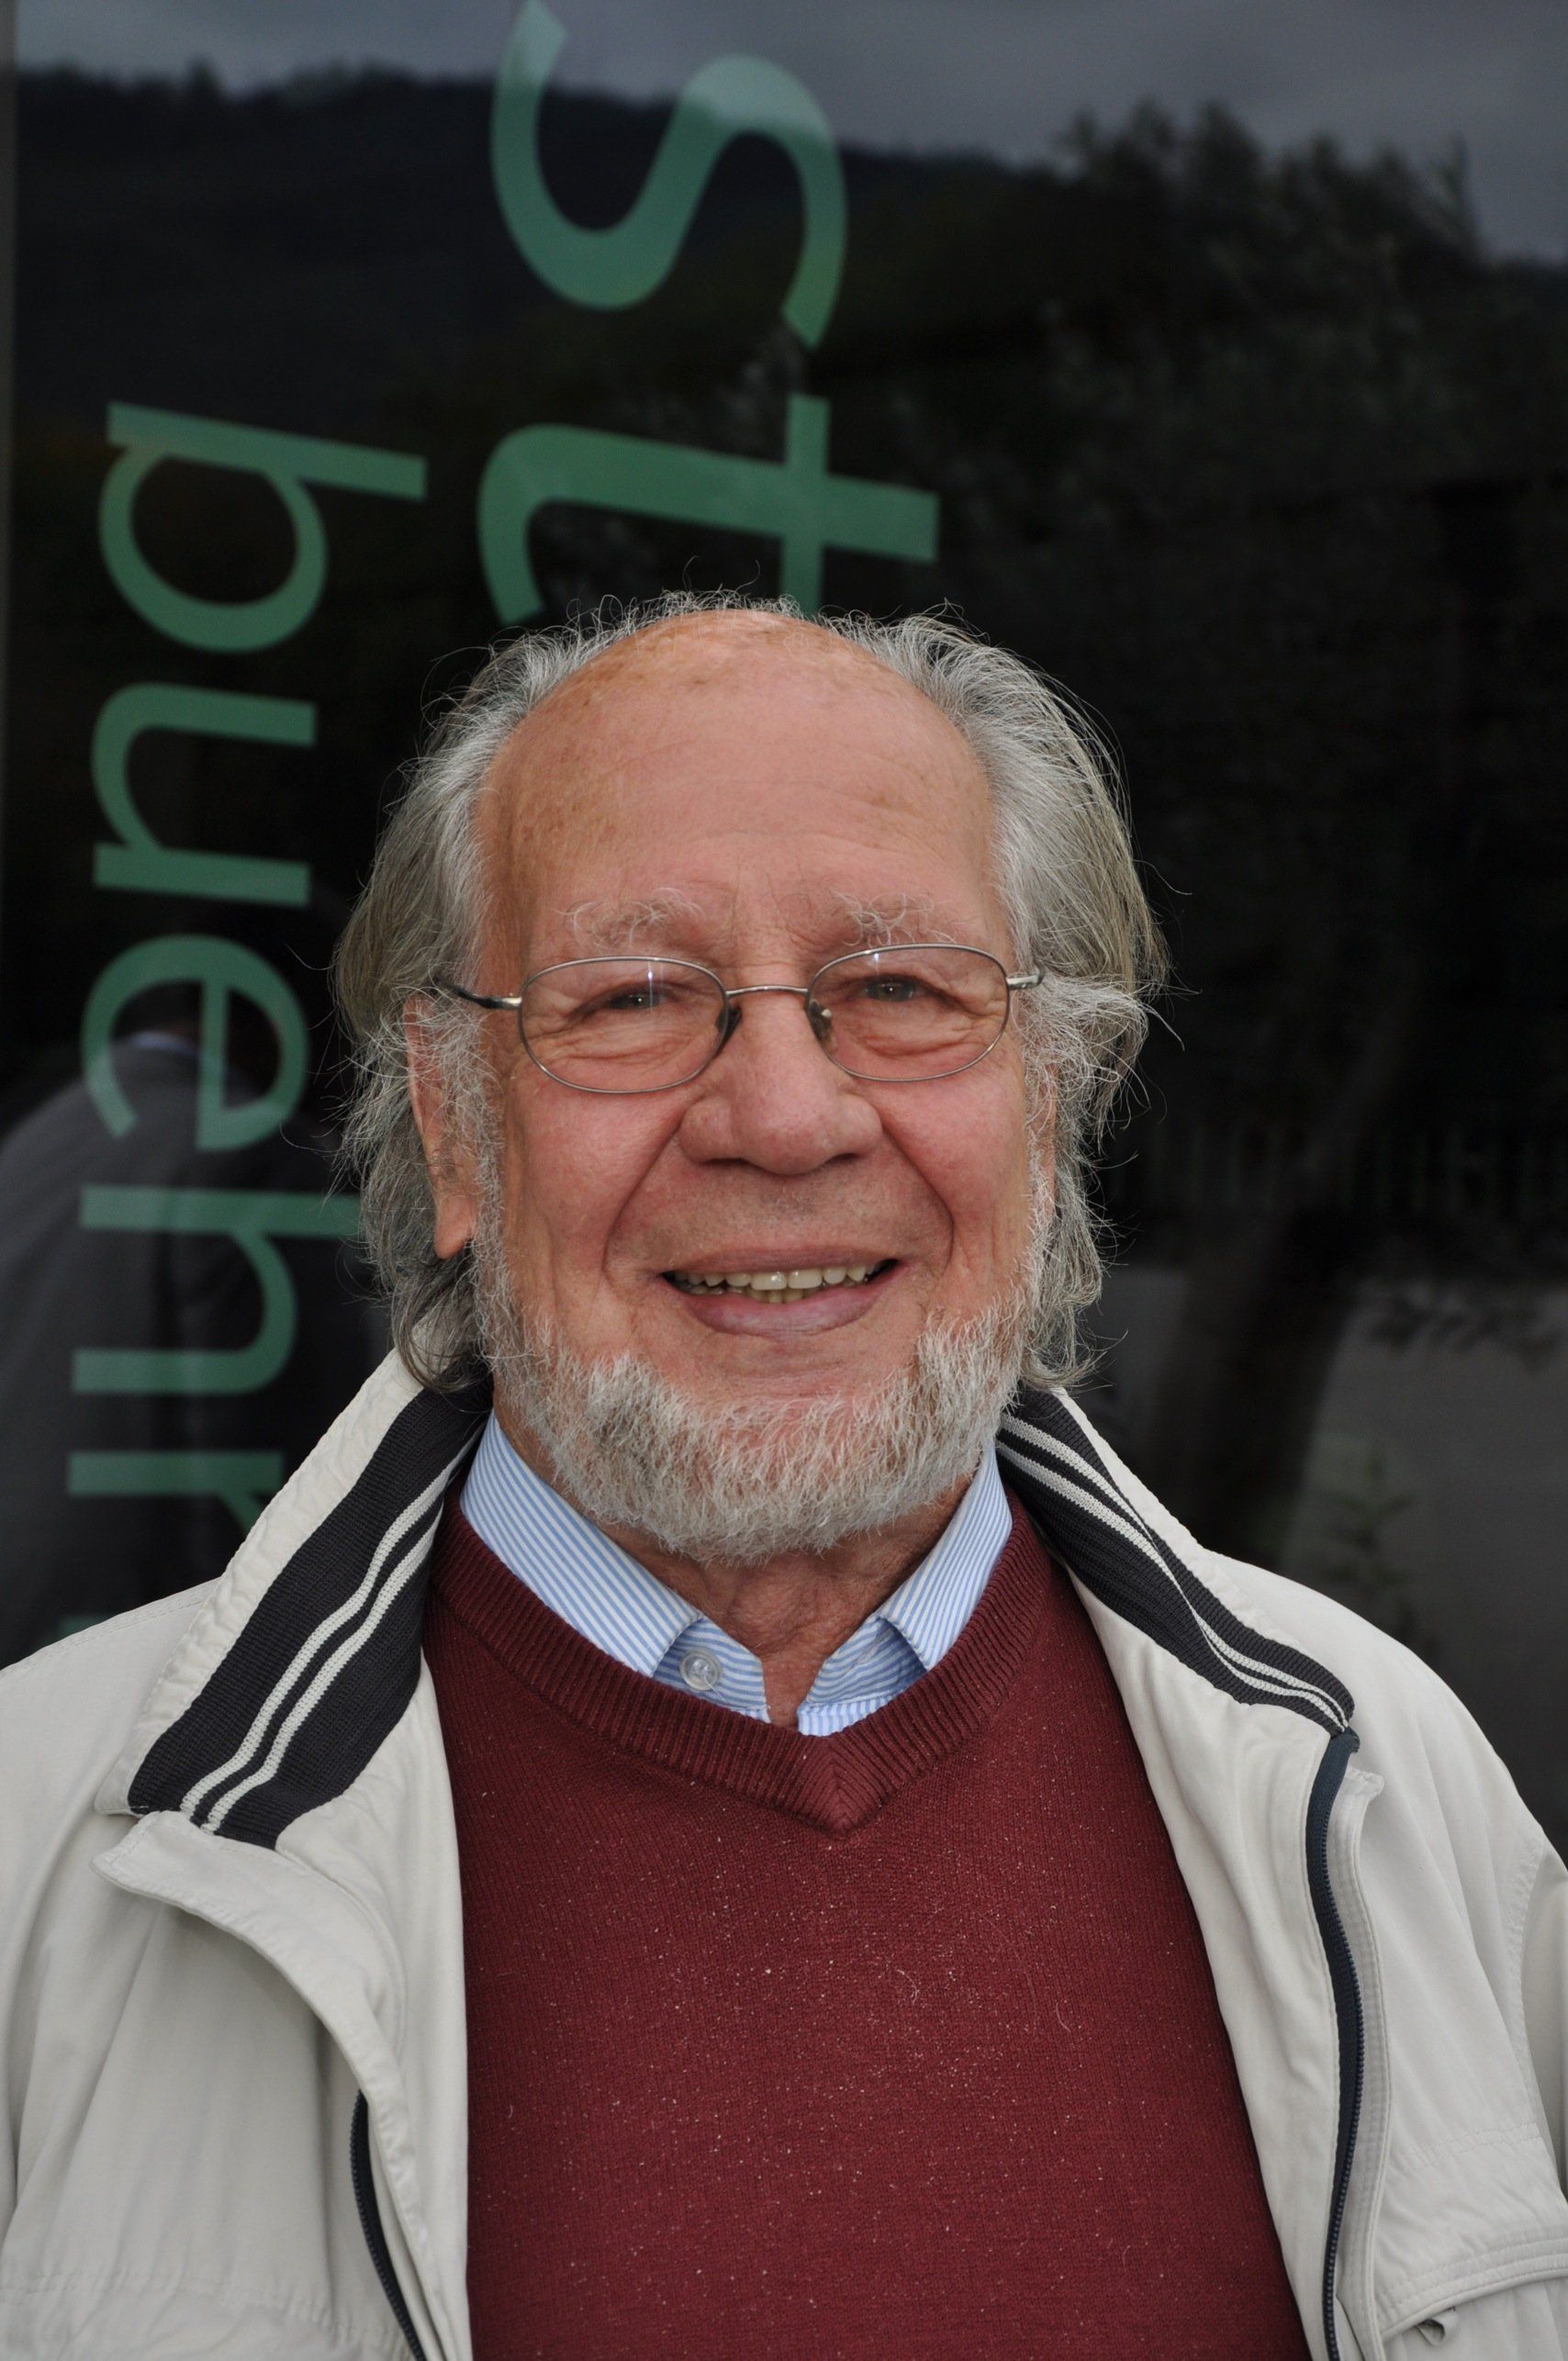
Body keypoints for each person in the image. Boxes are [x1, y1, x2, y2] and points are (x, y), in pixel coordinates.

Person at [0, 594, 1563, 2361]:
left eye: (900, 990)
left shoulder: (1390, 1790)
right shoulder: (44, 1853)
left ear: (1049, 1108)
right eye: (634, 997)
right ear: (452, 1124)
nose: (786, 1117)